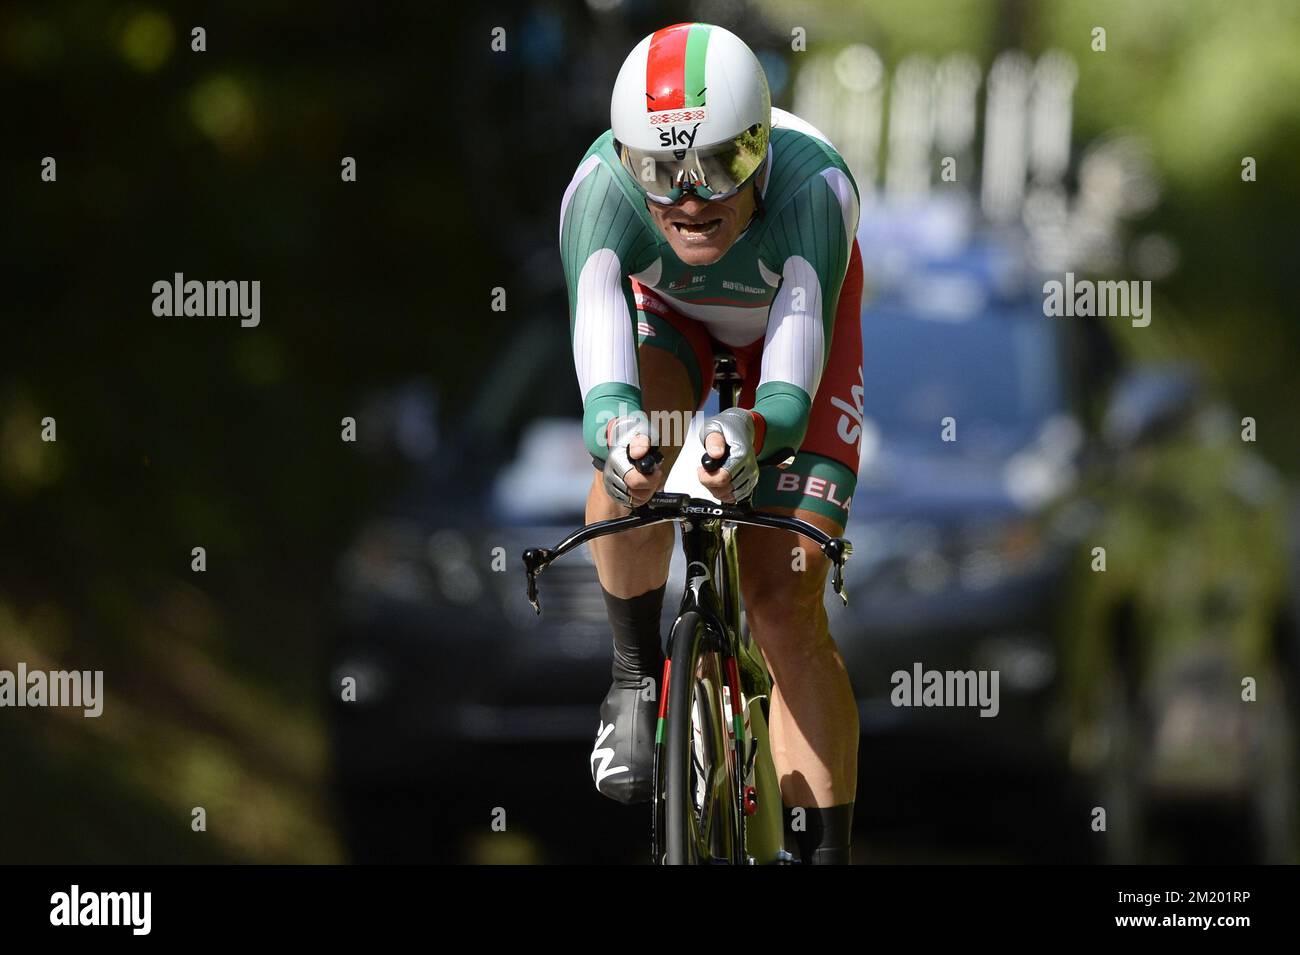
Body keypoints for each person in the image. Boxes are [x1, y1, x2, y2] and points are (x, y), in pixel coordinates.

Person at [559, 22, 864, 864]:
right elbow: (604, 387)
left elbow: (791, 397)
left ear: (762, 152)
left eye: (718, 168)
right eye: (660, 173)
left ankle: (818, 848)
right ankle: (630, 675)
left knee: (782, 594)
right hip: (673, 322)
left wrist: (753, 430)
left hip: (792, 335)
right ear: (628, 163)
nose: (689, 200)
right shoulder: (597, 194)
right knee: (632, 469)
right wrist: (622, 440)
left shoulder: (815, 190)